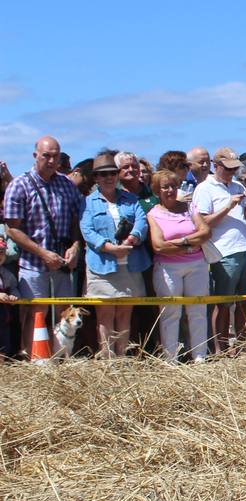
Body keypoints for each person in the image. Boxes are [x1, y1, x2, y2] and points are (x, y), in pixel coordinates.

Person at [3, 135, 83, 355]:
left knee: (65, 314)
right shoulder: (19, 185)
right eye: (46, 155)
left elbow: (77, 219)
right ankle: (35, 363)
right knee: (35, 314)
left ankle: (60, 361)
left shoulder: (67, 185)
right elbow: (12, 228)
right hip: (33, 264)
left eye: (55, 156)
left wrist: (75, 246)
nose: (50, 160)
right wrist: (42, 253)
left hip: (64, 264)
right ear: (35, 155)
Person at [79, 152, 149, 357]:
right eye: (103, 174)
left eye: (112, 173)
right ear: (96, 178)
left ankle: (121, 358)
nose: (108, 177)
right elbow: (87, 230)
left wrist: (131, 239)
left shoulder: (131, 199)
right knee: (105, 315)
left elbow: (141, 221)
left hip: (130, 264)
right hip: (101, 265)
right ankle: (108, 358)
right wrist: (108, 247)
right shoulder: (88, 202)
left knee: (125, 314)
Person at [192, 146, 246, 353]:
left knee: (244, 301)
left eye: (233, 169)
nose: (231, 172)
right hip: (224, 251)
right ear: (216, 166)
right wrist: (228, 207)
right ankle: (219, 348)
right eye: (227, 169)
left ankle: (242, 344)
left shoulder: (237, 185)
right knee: (223, 302)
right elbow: (202, 223)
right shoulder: (204, 188)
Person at [146, 169, 210, 362]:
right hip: (167, 268)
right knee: (170, 313)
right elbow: (158, 246)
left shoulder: (190, 207)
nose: (170, 190)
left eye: (173, 186)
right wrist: (190, 243)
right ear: (157, 190)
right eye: (165, 187)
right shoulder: (154, 214)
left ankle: (200, 356)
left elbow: (205, 232)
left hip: (197, 265)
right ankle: (170, 359)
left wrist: (178, 243)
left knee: (197, 311)